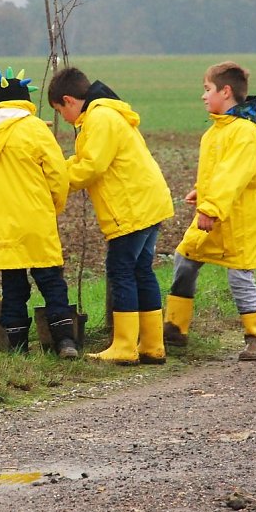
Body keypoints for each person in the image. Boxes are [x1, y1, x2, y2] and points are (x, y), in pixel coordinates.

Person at [48, 67, 174, 365]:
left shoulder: (99, 118)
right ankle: (152, 345)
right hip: (148, 203)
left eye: (59, 111)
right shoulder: (108, 113)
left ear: (68, 100)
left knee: (121, 271)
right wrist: (63, 166)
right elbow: (86, 159)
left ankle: (124, 346)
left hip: (130, 208)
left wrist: (55, 177)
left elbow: (91, 166)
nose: (64, 119)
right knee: (142, 271)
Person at [163, 61, 256, 361]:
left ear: (226, 92)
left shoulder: (244, 133)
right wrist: (202, 191)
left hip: (241, 220)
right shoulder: (216, 131)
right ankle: (174, 329)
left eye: (207, 89)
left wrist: (210, 207)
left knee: (239, 275)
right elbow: (219, 171)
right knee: (185, 258)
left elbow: (234, 175)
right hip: (216, 214)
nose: (203, 96)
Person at [0, 67, 77, 359]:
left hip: (1, 225)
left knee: (13, 285)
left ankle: (17, 349)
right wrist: (54, 206)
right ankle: (65, 341)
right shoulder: (35, 129)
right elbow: (57, 174)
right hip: (35, 218)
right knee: (51, 279)